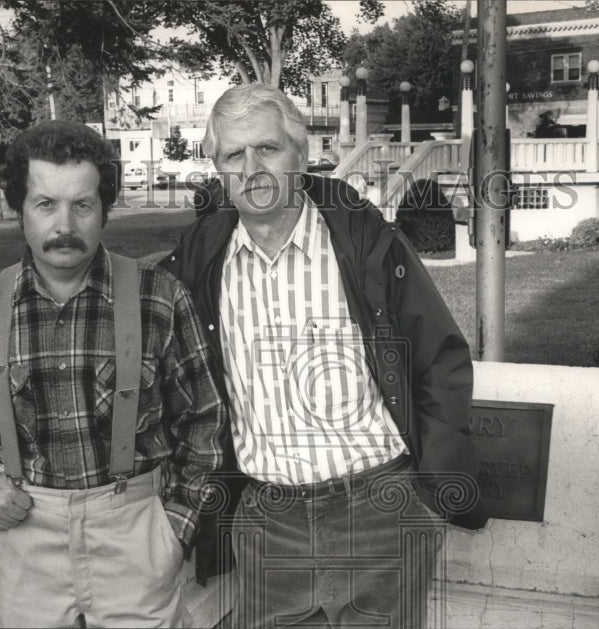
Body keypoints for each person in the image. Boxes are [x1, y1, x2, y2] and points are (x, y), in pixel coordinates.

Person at [160, 84, 486, 629]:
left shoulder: (364, 243)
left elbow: (439, 358)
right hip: (267, 523)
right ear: (218, 169)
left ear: (301, 153)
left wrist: (429, 487)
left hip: (381, 511)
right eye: (234, 155)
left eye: (267, 148)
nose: (252, 169)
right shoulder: (200, 262)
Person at [0, 120, 226, 628]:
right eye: (46, 204)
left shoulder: (158, 297)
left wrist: (175, 527)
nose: (65, 224)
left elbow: (205, 419)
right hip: (27, 532)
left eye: (82, 204)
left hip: (135, 531)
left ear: (105, 208)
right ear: (18, 209)